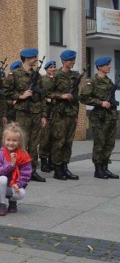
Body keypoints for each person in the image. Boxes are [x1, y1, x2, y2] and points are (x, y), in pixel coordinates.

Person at [4, 48, 47, 182]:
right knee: (22, 142)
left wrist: (43, 115)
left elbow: (42, 96)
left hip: (36, 112)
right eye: (34, 57)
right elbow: (6, 93)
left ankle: (32, 170)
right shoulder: (14, 74)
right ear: (27, 58)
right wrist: (21, 96)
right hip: (22, 112)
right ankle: (19, 169)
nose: (35, 59)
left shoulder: (37, 75)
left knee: (34, 143)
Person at [81, 56, 119, 179]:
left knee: (109, 143)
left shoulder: (109, 82)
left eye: (109, 64)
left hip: (111, 116)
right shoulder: (92, 82)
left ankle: (105, 168)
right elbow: (84, 98)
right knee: (100, 143)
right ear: (99, 67)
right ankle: (98, 170)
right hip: (99, 118)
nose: (109, 66)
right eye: (107, 65)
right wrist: (100, 103)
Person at [45, 50, 81, 181]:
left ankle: (65, 167)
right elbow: (47, 93)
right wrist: (61, 96)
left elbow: (76, 98)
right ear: (64, 61)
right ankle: (58, 168)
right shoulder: (56, 76)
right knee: (58, 142)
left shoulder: (74, 77)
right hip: (59, 115)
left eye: (74, 59)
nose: (73, 62)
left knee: (68, 142)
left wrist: (77, 115)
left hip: (71, 114)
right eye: (71, 60)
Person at [0, 123, 32, 216]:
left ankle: (12, 201)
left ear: (19, 141)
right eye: (8, 140)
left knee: (21, 193)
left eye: (14, 140)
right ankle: (2, 203)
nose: (11, 143)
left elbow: (26, 174)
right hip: (1, 186)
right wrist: (11, 164)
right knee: (2, 178)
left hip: (14, 185)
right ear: (4, 139)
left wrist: (18, 184)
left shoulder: (23, 155)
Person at [39, 60, 57, 172]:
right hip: (47, 111)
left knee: (54, 138)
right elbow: (42, 95)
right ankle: (44, 162)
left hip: (56, 113)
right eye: (51, 67)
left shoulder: (56, 80)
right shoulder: (43, 80)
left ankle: (52, 161)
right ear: (46, 69)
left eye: (54, 67)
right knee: (45, 139)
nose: (53, 69)